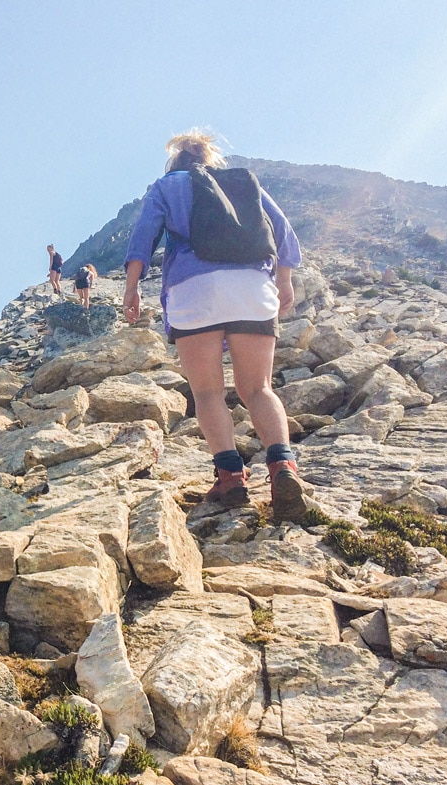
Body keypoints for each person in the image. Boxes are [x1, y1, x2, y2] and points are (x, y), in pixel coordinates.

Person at [121, 130, 308, 522]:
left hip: (194, 290)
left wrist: (132, 288)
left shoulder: (167, 186)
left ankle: (230, 477)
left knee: (207, 392)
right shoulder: (241, 181)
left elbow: (143, 238)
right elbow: (283, 231)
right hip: (251, 288)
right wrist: (285, 279)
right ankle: (283, 468)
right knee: (258, 388)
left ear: (176, 162)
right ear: (209, 158)